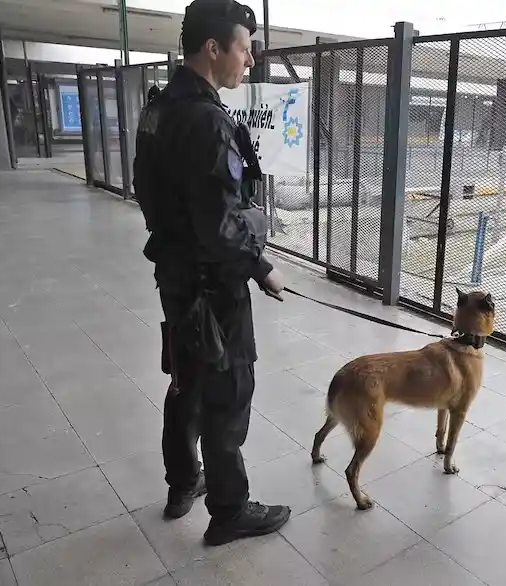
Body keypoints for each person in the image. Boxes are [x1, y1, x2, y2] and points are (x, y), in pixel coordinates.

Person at [132, 0, 291, 546]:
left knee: (186, 379)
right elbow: (221, 226)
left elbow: (154, 193)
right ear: (214, 48)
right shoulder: (206, 121)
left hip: (176, 276)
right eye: (245, 48)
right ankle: (229, 511)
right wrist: (260, 257)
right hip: (213, 284)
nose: (250, 60)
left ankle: (183, 484)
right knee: (228, 389)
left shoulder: (159, 109)